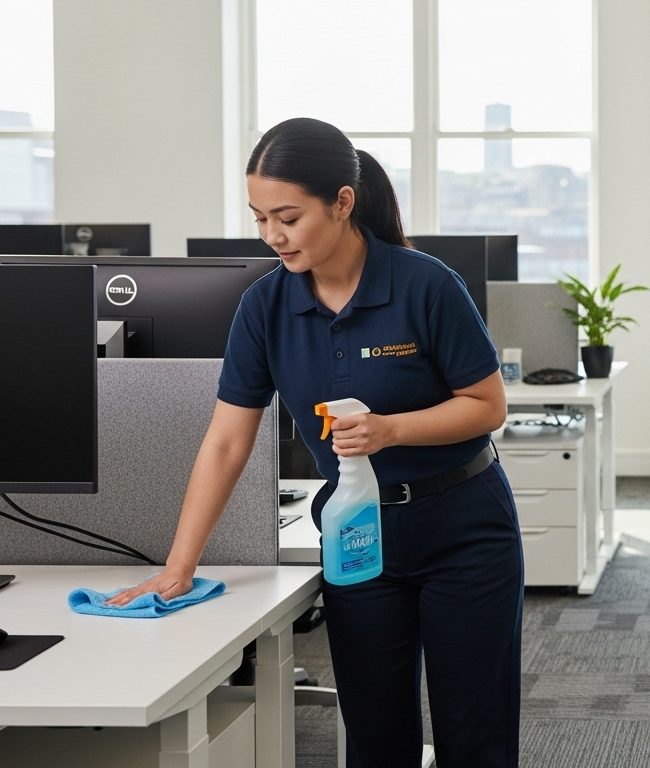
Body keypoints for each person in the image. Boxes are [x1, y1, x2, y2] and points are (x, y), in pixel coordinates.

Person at [107, 117, 523, 765]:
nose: (273, 235)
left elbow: (486, 406)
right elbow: (225, 443)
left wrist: (390, 430)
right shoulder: (264, 307)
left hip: (462, 528)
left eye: (288, 217)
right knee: (374, 741)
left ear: (342, 203)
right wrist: (179, 565)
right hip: (357, 534)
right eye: (259, 218)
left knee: (475, 740)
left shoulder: (426, 285)